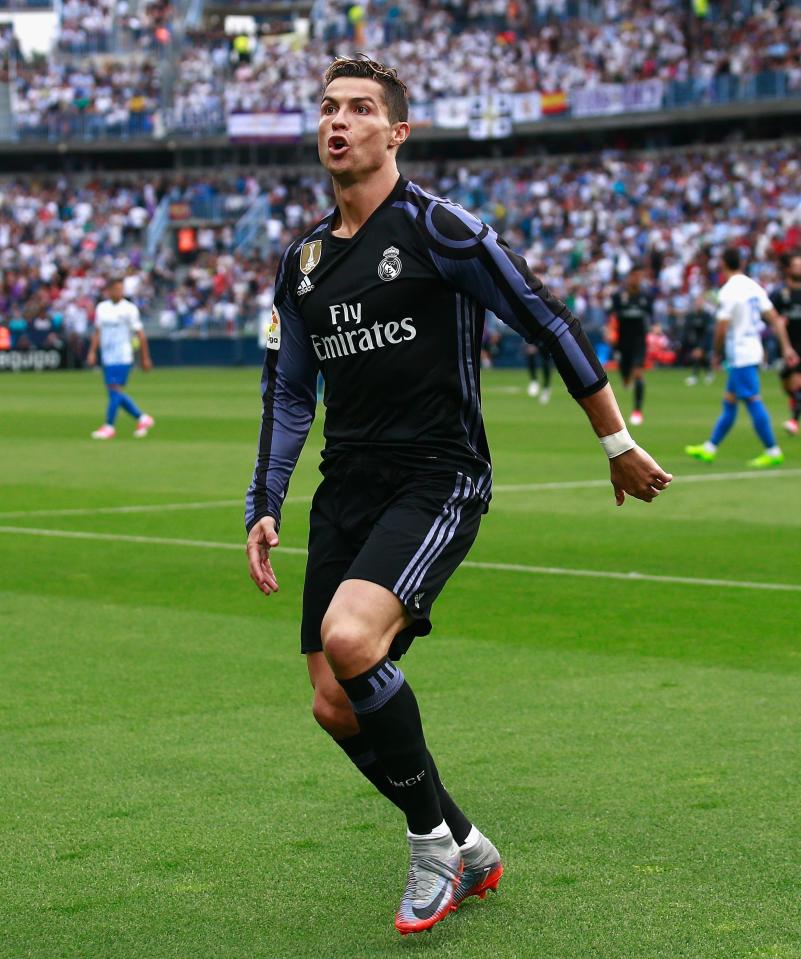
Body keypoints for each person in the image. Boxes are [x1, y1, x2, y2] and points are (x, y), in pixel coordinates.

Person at [244, 55, 672, 938]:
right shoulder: (304, 261)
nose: (338, 121)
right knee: (330, 699)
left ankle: (426, 841)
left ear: (395, 132)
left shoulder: (440, 228)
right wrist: (267, 498)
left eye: (360, 109)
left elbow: (545, 317)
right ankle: (465, 841)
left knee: (351, 637)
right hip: (346, 488)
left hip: (437, 476)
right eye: (327, 108)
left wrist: (616, 440)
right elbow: (290, 391)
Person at [685, 248, 799, 468]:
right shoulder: (753, 286)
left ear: (723, 265)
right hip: (752, 348)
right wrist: (786, 347)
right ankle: (710, 448)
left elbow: (722, 327)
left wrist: (716, 354)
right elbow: (774, 318)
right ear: (742, 263)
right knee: (729, 402)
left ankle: (772, 450)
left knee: (752, 399)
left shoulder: (729, 291)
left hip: (741, 352)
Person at [87, 277, 154, 440]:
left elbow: (141, 335)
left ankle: (109, 426)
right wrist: (92, 352)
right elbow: (97, 331)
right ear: (109, 291)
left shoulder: (129, 309)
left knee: (115, 389)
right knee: (113, 392)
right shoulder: (102, 308)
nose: (120, 292)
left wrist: (145, 358)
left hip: (123, 355)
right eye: (116, 289)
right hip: (108, 356)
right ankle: (142, 418)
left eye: (121, 289)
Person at [606, 264, 654, 426]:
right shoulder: (619, 295)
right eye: (635, 276)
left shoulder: (646, 295)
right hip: (622, 341)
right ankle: (627, 379)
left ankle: (637, 411)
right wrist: (609, 332)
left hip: (639, 341)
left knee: (639, 373)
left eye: (640, 276)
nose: (638, 279)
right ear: (630, 277)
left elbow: (651, 315)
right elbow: (611, 316)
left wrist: (655, 327)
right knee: (626, 377)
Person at [770, 251, 801, 435]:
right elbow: (769, 316)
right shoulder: (781, 294)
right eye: (796, 264)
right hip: (787, 345)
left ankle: (793, 421)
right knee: (786, 384)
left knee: (797, 382)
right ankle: (796, 405)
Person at [681, 294, 715, 385]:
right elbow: (687, 329)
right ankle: (706, 374)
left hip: (705, 340)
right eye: (697, 302)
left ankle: (698, 375)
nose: (699, 304)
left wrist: (701, 346)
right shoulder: (690, 315)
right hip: (694, 340)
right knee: (698, 356)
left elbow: (708, 332)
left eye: (701, 302)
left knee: (702, 356)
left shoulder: (707, 315)